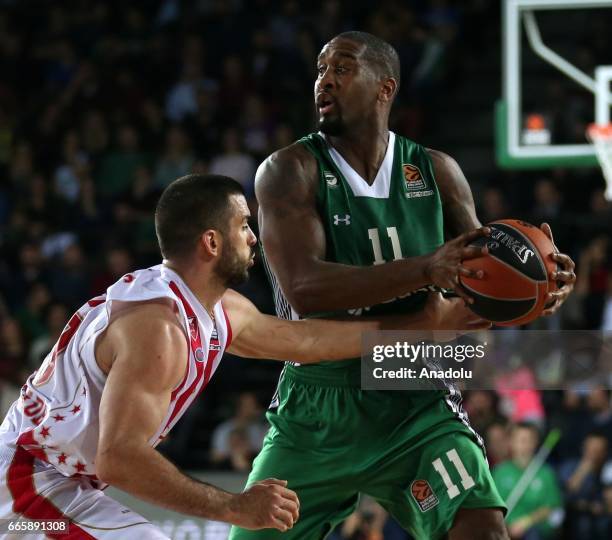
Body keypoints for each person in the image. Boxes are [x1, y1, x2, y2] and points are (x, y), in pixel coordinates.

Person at [0, 174, 484, 539]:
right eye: (243, 226)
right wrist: (236, 507)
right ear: (211, 242)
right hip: (24, 486)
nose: (254, 238)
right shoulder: (158, 329)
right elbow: (120, 460)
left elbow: (306, 343)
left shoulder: (213, 308)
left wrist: (425, 328)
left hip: (63, 482)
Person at [229, 31, 576, 540]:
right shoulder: (288, 170)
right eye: (321, 70)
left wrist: (541, 286)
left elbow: (479, 278)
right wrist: (424, 268)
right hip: (321, 400)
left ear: (384, 87)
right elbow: (305, 289)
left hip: (414, 387)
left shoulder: (438, 172)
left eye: (342, 68)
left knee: (482, 528)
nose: (325, 80)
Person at [492, 423, 563, 540]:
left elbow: (550, 508)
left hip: (534, 531)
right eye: (520, 440)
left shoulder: (546, 474)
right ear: (511, 443)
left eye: (529, 440)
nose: (525, 446)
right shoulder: (499, 472)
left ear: (535, 443)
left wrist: (525, 522)